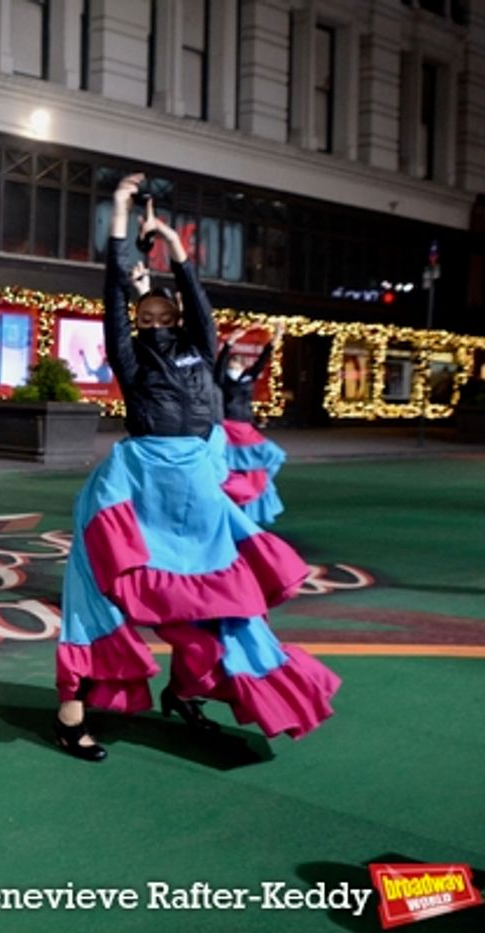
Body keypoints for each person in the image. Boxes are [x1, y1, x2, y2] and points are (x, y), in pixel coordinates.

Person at [53, 172, 339, 762]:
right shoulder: (129, 357)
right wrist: (119, 208)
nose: (155, 317)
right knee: (98, 597)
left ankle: (187, 692)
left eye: (165, 312)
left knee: (221, 607)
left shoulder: (200, 347)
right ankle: (70, 718)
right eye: (146, 315)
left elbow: (198, 300)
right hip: (135, 488)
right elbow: (113, 287)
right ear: (137, 321)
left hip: (195, 494)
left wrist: (174, 245)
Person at [215, 325, 288, 525]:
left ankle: (250, 505)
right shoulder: (221, 379)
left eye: (238, 364)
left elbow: (264, 360)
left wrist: (277, 335)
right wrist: (230, 342)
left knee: (261, 460)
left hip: (245, 426)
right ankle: (230, 502)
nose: (235, 366)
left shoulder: (248, 377)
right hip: (228, 426)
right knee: (231, 466)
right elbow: (220, 364)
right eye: (233, 363)